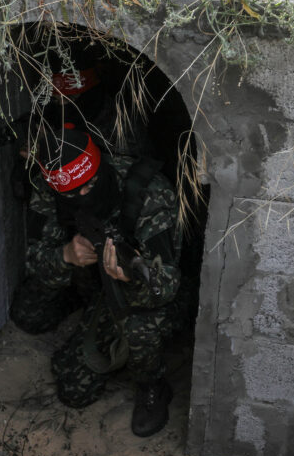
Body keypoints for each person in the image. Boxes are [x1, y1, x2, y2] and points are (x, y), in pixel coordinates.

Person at [10, 124, 182, 437]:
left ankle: (151, 385)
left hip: (137, 292)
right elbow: (35, 258)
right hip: (88, 276)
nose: (84, 196)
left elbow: (167, 285)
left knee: (77, 387)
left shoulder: (150, 193)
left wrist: (129, 278)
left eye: (91, 186)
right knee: (27, 313)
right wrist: (65, 256)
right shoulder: (47, 190)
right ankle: (84, 301)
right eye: (73, 194)